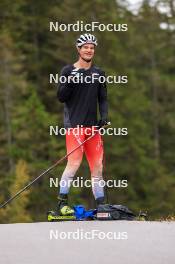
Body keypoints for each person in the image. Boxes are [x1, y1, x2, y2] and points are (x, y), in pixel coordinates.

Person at [57, 33, 108, 215]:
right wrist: (72, 80)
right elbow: (61, 97)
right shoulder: (68, 71)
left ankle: (101, 205)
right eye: (85, 47)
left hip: (93, 127)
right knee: (74, 164)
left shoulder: (99, 73)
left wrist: (104, 116)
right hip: (74, 127)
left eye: (92, 47)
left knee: (97, 166)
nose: (89, 50)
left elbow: (102, 98)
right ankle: (62, 203)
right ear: (78, 49)